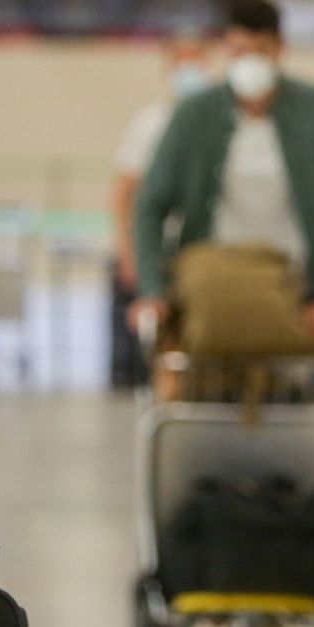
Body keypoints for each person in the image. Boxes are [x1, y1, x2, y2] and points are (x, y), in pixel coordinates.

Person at [130, 0, 314, 350]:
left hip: (293, 284)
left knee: (289, 395)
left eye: (261, 51)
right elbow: (150, 204)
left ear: (280, 48)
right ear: (226, 48)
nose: (250, 62)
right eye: (239, 51)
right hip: (211, 284)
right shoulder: (195, 113)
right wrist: (153, 290)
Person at [110, 30, 212, 390]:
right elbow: (127, 194)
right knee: (166, 347)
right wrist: (128, 251)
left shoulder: (217, 122)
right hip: (161, 257)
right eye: (180, 62)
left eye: (195, 60)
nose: (188, 69)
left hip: (204, 256)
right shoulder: (150, 122)